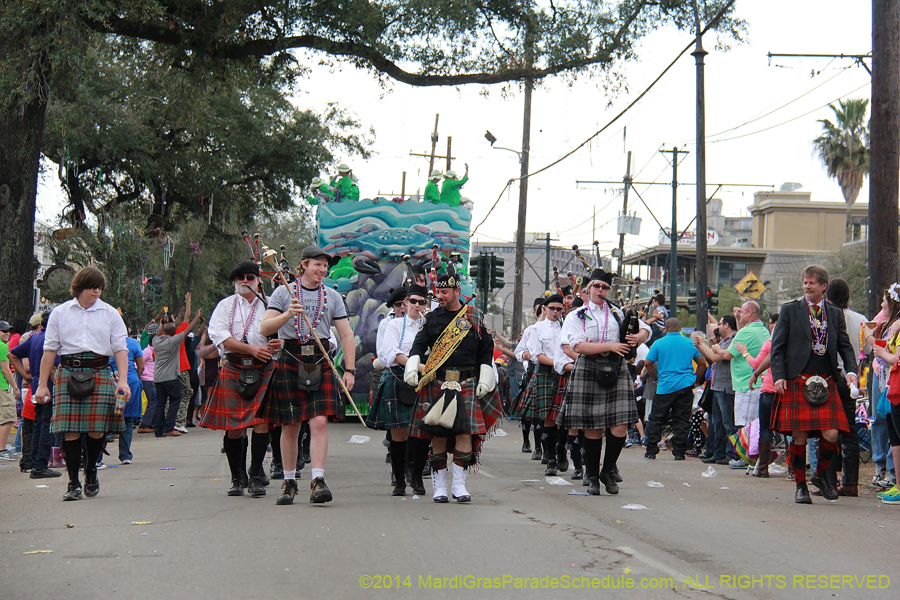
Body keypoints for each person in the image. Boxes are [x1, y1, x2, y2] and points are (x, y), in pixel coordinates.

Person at [260, 244, 356, 505]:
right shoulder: (284, 292)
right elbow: (264, 327)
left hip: (321, 358)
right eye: (317, 264)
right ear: (303, 265)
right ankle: (289, 481)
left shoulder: (333, 296)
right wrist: (288, 314)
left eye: (325, 265)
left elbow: (346, 334)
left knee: (319, 422)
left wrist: (349, 369)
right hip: (291, 357)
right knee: (290, 424)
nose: (322, 269)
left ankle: (318, 480)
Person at [33, 267, 132, 501]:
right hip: (68, 371)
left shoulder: (110, 313)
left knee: (97, 430)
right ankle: (73, 483)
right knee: (71, 432)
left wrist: (124, 381)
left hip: (100, 370)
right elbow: (50, 350)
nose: (96, 291)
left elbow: (120, 348)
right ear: (79, 287)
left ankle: (91, 472)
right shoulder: (60, 312)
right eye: (92, 287)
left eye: (99, 287)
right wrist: (42, 384)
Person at [404, 272, 502, 503]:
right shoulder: (432, 318)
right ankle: (440, 486)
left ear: (458, 291)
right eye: (438, 292)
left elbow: (486, 352)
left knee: (464, 433)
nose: (440, 296)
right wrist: (411, 365)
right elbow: (417, 347)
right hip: (437, 382)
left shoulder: (474, 317)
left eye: (444, 292)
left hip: (466, 381)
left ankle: (459, 484)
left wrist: (486, 376)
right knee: (437, 434)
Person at [770, 265, 858, 504]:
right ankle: (800, 486)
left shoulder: (835, 313)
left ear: (823, 286)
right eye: (805, 283)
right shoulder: (790, 310)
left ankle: (820, 476)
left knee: (831, 433)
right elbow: (777, 348)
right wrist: (778, 376)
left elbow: (845, 346)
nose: (807, 286)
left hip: (826, 381)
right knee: (799, 436)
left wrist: (851, 371)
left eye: (812, 283)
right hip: (798, 379)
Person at [559, 268, 650, 495]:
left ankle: (607, 471)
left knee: (619, 426)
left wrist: (635, 337)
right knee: (593, 427)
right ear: (588, 289)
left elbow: (646, 329)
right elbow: (578, 347)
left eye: (605, 287)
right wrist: (610, 346)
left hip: (616, 367)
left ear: (609, 290)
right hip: (589, 366)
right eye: (597, 286)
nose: (601, 290)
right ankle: (592, 476)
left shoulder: (618, 313)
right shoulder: (576, 315)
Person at [201, 261, 280, 497]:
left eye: (249, 277)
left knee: (262, 423)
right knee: (234, 429)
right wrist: (251, 349)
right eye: (239, 278)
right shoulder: (225, 306)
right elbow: (220, 336)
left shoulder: (270, 306)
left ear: (259, 280)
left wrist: (279, 343)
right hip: (235, 368)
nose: (244, 281)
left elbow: (286, 334)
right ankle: (237, 478)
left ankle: (255, 475)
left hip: (265, 368)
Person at [367, 284, 428, 496]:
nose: (416, 306)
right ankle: (400, 480)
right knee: (399, 433)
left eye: (421, 302)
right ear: (405, 303)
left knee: (421, 432)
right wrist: (418, 366)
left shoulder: (429, 325)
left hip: (424, 379)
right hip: (399, 376)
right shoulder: (394, 325)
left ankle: (417, 477)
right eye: (413, 301)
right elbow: (391, 353)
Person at [642, 318, 706, 460]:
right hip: (685, 385)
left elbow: (647, 363)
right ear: (679, 327)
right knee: (682, 420)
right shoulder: (689, 343)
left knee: (656, 418)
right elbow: (702, 364)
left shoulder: (659, 343)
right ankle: (679, 452)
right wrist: (695, 380)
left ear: (666, 328)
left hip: (664, 386)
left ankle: (651, 450)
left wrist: (655, 378)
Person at [9, 312, 61, 477]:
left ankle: (35, 462)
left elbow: (12, 355)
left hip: (36, 385)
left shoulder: (34, 338)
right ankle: (40, 465)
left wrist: (25, 375)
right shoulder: (52, 340)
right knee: (47, 426)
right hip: (50, 386)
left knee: (38, 424)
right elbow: (53, 367)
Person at [524, 295, 565, 476]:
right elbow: (536, 355)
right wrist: (557, 363)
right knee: (548, 417)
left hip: (566, 374)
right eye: (552, 308)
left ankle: (561, 449)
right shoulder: (537, 328)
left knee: (564, 418)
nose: (556, 312)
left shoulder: (567, 326)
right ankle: (551, 459)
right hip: (546, 373)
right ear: (545, 309)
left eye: (559, 309)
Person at [738, 313, 779, 477]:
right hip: (787, 390)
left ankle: (763, 468)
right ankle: (792, 469)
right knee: (791, 430)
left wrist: (744, 352)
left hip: (769, 387)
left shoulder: (769, 345)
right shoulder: (793, 345)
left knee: (765, 428)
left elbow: (756, 364)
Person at [694, 316, 738, 465]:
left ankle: (730, 453)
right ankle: (718, 453)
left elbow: (715, 356)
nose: (717, 326)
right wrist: (700, 346)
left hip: (726, 387)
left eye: (719, 323)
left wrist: (703, 344)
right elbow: (712, 359)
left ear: (727, 325)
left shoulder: (732, 341)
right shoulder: (724, 342)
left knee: (728, 423)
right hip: (717, 386)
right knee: (717, 422)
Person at [152, 311, 202, 438]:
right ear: (174, 333)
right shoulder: (173, 341)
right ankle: (169, 427)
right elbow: (188, 329)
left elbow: (160, 332)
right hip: (171, 377)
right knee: (175, 400)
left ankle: (158, 429)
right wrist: (196, 318)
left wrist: (164, 323)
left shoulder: (156, 341)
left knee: (160, 403)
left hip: (158, 378)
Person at [111, 320, 144, 464]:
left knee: (106, 419)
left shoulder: (105, 342)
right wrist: (136, 377)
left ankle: (97, 458)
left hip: (110, 383)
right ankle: (125, 455)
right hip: (130, 383)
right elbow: (141, 365)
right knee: (127, 419)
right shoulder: (132, 343)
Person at [0, 321, 20, 459]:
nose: (7, 333)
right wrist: (15, 387)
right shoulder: (2, 347)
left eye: (9, 331)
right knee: (8, 418)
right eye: (4, 331)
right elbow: (5, 369)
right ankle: (2, 449)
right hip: (3, 386)